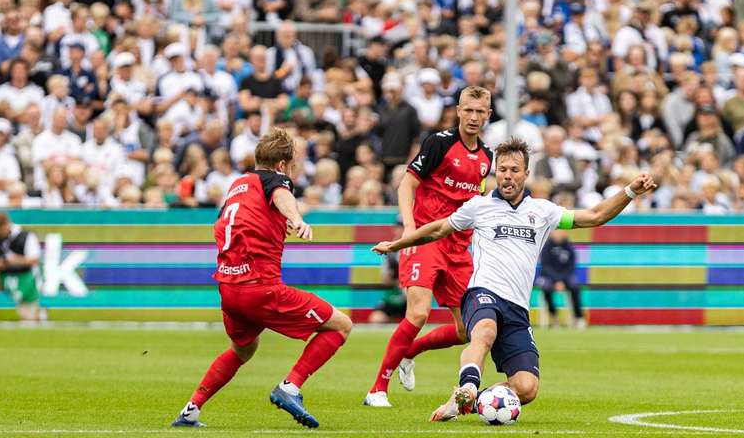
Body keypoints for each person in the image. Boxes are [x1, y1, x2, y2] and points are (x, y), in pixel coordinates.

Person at [371, 137, 657, 421]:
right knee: (484, 331)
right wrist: (398, 243)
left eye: (514, 170)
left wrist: (630, 191)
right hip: (482, 293)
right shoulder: (478, 206)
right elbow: (437, 229)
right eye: (503, 169)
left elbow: (595, 215)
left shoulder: (543, 211)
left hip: (517, 308)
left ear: (526, 174)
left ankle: (471, 400)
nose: (507, 176)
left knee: (527, 387)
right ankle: (467, 387)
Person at [171, 128, 352, 429]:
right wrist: (296, 219)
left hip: (229, 290)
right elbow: (282, 195)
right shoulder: (277, 180)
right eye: (292, 164)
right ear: (282, 164)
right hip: (260, 288)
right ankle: (290, 387)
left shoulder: (238, 185)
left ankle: (191, 410)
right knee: (341, 325)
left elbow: (222, 226)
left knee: (244, 348)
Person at [364, 86, 494, 408]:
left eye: (480, 112)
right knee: (419, 312)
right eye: (469, 110)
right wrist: (410, 227)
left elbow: (472, 202)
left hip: (458, 247)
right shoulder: (439, 143)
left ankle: (410, 352)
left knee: (467, 330)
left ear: (488, 115)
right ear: (458, 111)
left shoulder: (486, 157)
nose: (474, 117)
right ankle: (377, 389)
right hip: (425, 239)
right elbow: (407, 183)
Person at [0, 212, 44, 322]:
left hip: (25, 278)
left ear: (8, 224)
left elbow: (34, 259)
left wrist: (16, 260)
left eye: (3, 227)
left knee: (29, 319)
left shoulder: (26, 236)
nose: (1, 230)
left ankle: (41, 313)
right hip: (5, 277)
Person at [536, 230, 585, 328]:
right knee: (545, 288)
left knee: (575, 286)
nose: (558, 234)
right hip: (548, 276)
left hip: (566, 277)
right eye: (556, 232)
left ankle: (578, 317)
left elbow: (571, 267)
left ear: (565, 233)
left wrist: (561, 280)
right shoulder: (546, 247)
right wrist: (557, 280)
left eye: (560, 232)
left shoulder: (569, 248)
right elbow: (546, 266)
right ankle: (553, 315)